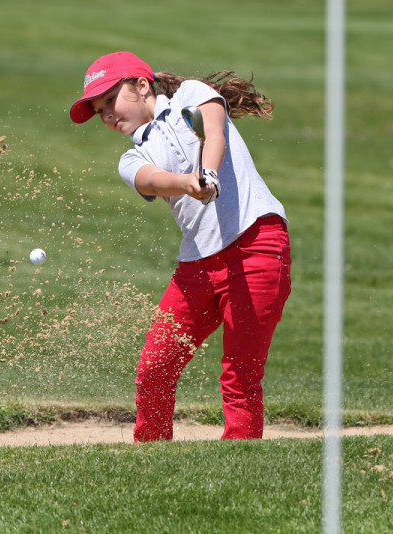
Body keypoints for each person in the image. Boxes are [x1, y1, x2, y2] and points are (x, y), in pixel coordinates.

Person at [69, 51, 292, 441]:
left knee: (240, 372)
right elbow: (153, 179)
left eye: (110, 99)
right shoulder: (131, 157)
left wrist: (207, 173)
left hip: (257, 244)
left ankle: (240, 460)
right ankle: (151, 454)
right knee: (154, 367)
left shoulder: (192, 92)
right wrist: (190, 183)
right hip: (198, 265)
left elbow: (215, 134)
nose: (106, 114)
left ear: (141, 86)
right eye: (98, 109)